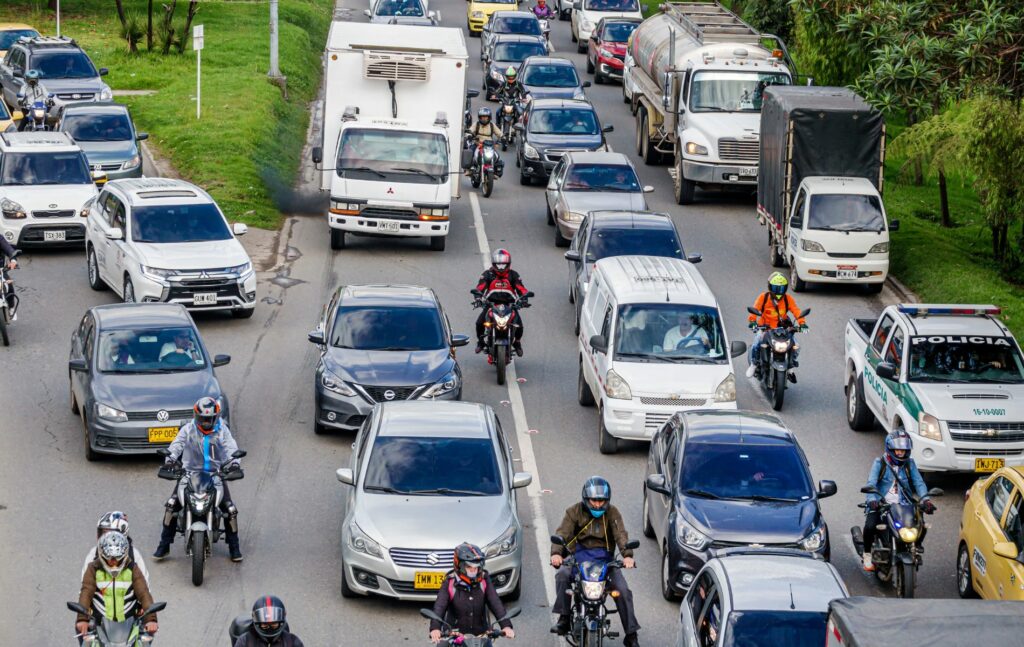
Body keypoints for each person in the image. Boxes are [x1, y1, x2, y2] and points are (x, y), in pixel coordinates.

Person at [551, 477, 640, 647]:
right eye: (594, 500)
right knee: (562, 574)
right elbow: (562, 534)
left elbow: (621, 534)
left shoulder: (613, 513)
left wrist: (627, 555)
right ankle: (564, 618)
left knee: (623, 591)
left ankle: (632, 634)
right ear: (586, 498)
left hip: (605, 560)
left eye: (602, 501)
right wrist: (556, 554)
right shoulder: (573, 512)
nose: (598, 505)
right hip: (578, 556)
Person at [153, 396, 244, 562]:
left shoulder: (222, 430)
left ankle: (234, 547)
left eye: (209, 419)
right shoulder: (188, 429)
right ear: (196, 416)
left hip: (215, 474)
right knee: (171, 505)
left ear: (215, 417)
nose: (206, 422)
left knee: (230, 509)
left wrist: (234, 464)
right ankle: (164, 545)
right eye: (203, 418)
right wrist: (170, 462)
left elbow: (231, 448)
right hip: (188, 474)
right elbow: (176, 446)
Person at [861, 429, 936, 572]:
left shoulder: (909, 464)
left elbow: (919, 483)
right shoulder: (879, 463)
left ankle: (915, 546)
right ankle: (867, 554)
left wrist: (926, 500)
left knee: (921, 524)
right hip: (882, 504)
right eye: (897, 450)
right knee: (870, 526)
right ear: (890, 449)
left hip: (904, 504)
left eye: (903, 450)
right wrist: (872, 500)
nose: (900, 453)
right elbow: (871, 483)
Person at [76, 532, 159, 640]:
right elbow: (86, 592)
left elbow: (144, 593)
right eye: (110, 559)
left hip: (129, 627)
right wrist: (82, 619)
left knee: (145, 641)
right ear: (102, 555)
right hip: (99, 627)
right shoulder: (93, 569)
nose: (114, 563)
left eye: (117, 559)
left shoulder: (132, 568)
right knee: (85, 641)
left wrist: (151, 619)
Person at [428, 543, 514, 644]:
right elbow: (439, 607)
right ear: (459, 566)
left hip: (481, 636)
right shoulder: (449, 582)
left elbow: (495, 602)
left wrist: (506, 626)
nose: (474, 570)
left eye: (476, 567)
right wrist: (435, 628)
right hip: (454, 636)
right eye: (469, 567)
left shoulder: (484, 579)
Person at [745, 272, 805, 382]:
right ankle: (753, 364)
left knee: (796, 346)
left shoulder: (788, 299)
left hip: (782, 330)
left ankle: (790, 367)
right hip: (765, 329)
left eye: (781, 289)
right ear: (770, 287)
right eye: (775, 288)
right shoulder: (763, 297)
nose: (778, 292)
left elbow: (796, 311)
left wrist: (802, 323)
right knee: (756, 344)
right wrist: (752, 322)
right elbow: (755, 310)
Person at [473, 248, 530, 356]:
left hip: (510, 306)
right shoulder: (487, 274)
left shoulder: (513, 275)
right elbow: (480, 288)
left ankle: (517, 342)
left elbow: (521, 288)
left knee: (519, 325)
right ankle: (480, 342)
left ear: (508, 264)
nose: (501, 268)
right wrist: (478, 298)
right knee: (479, 323)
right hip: (491, 305)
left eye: (503, 265)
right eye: (498, 265)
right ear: (494, 264)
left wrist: (524, 298)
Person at [81, 511, 149, 584]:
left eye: (111, 534)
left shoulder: (135, 556)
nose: (106, 538)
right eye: (103, 533)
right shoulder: (93, 554)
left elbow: (144, 584)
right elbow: (85, 583)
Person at [233, 596, 304, 647]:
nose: (269, 629)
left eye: (274, 624)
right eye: (264, 625)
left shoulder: (294, 642)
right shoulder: (244, 641)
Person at [467, 107, 499, 174]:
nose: (484, 118)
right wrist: (469, 134)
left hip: (489, 145)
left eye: (486, 117)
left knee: (497, 156)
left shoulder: (492, 125)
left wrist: (503, 137)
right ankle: (469, 169)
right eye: (482, 117)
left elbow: (499, 132)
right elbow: (470, 130)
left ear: (489, 117)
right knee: (470, 152)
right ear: (480, 117)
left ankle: (495, 171)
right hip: (478, 144)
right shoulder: (477, 124)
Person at [1, 237, 17, 315]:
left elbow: (9, 249)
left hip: (0, 271)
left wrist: (13, 260)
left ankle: (11, 306)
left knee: (8, 284)